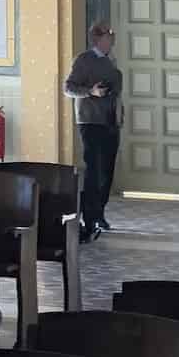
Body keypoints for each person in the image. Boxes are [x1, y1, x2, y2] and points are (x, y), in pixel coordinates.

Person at [64, 21, 122, 242]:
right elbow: (68, 88)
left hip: (110, 122)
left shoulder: (110, 60)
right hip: (90, 122)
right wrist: (91, 92)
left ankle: (100, 213)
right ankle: (89, 217)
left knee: (107, 171)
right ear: (98, 38)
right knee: (94, 170)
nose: (112, 40)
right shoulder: (84, 60)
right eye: (109, 36)